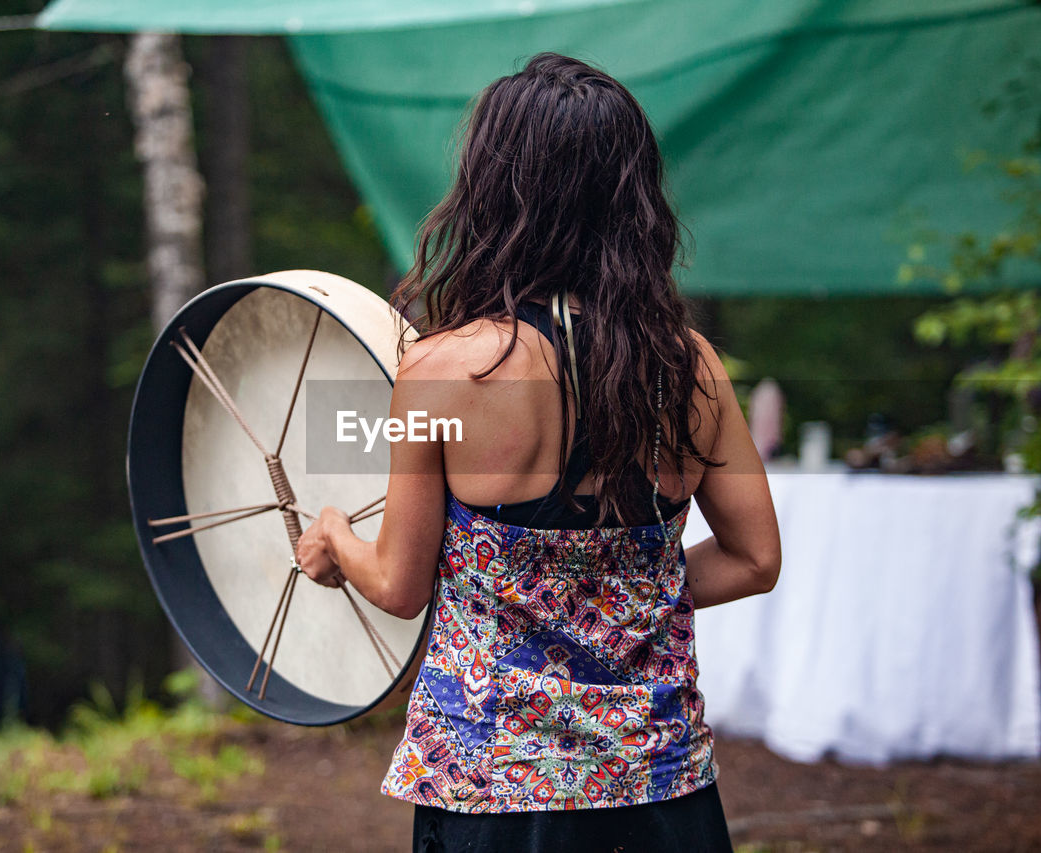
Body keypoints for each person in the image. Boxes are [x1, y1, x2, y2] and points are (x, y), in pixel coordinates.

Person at [295, 52, 781, 853]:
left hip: (494, 793)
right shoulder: (689, 366)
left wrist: (333, 539)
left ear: (493, 193)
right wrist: (618, 597)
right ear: (633, 198)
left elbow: (401, 583)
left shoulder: (444, 371)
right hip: (660, 790)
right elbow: (755, 558)